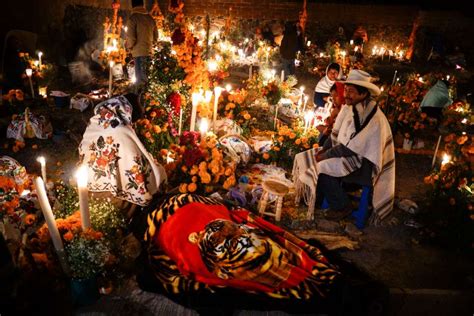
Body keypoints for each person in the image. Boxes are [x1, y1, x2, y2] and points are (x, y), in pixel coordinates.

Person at [293, 70, 395, 224]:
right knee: (304, 157)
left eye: (351, 91)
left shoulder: (373, 117)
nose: (346, 94)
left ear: (363, 93)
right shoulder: (350, 107)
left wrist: (325, 155)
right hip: (349, 155)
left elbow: (352, 148)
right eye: (346, 90)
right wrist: (324, 149)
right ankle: (316, 198)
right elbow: (335, 134)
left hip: (363, 166)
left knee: (322, 167)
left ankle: (342, 206)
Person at [78, 94, 166, 212]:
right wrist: (159, 169)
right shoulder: (121, 131)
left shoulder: (94, 123)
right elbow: (135, 163)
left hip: (86, 188)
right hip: (113, 197)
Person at [126, 0, 157, 87]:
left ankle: (141, 99)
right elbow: (156, 37)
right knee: (147, 77)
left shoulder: (133, 18)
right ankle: (148, 97)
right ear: (143, 5)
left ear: (132, 5)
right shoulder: (150, 18)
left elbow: (131, 37)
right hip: (149, 52)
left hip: (139, 53)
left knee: (140, 81)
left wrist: (130, 47)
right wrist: (151, 45)